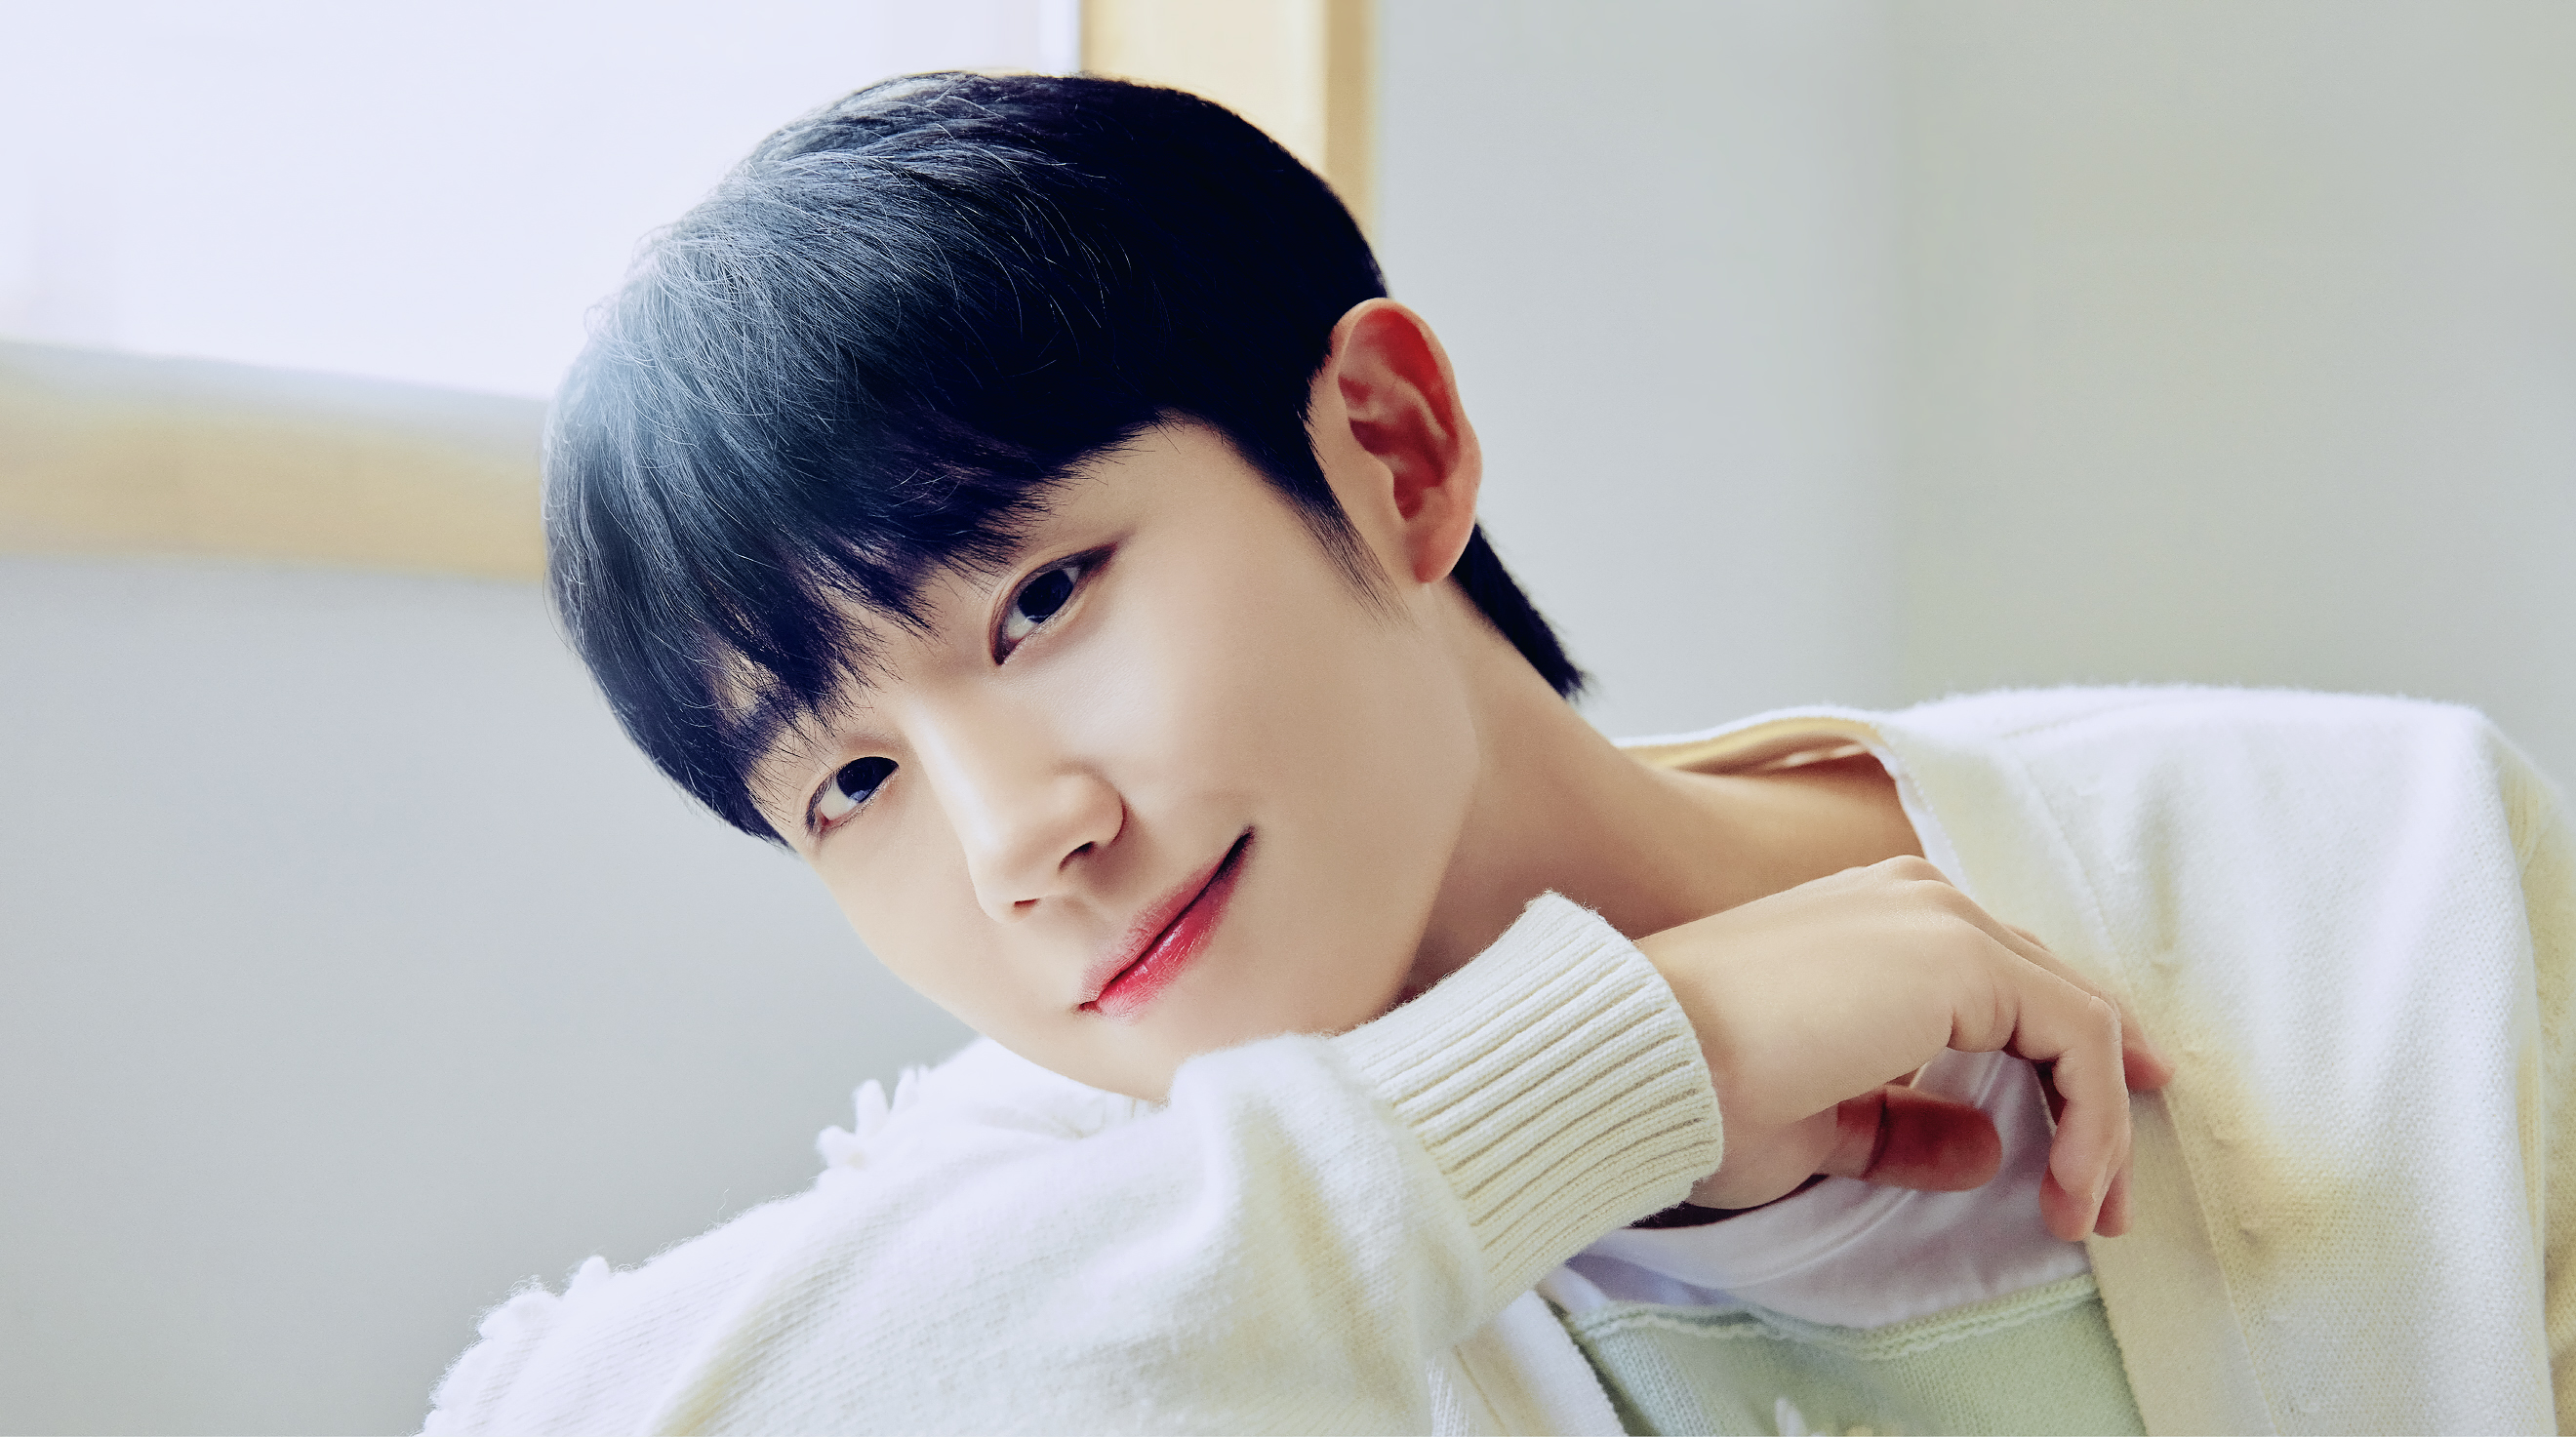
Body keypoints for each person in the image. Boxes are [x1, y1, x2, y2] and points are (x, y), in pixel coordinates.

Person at [424, 72, 2575, 1435]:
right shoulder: (1073, 1214)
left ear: (1389, 449)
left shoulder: (2374, 872)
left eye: (1043, 598)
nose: (1018, 843)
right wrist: (1607, 1072)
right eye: (849, 785)